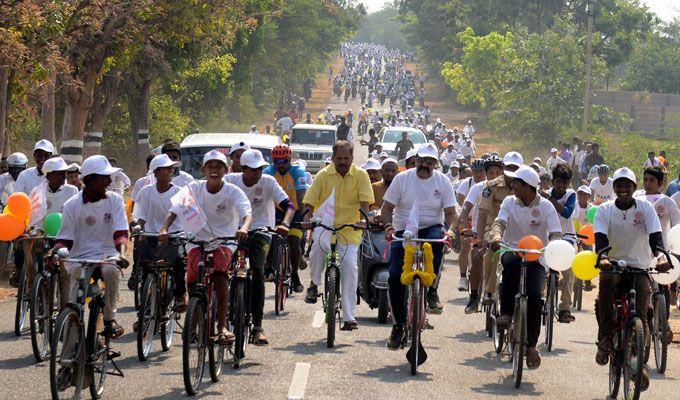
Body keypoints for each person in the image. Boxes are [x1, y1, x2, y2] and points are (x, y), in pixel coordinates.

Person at [160, 150, 252, 344]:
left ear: (225, 171)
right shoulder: (193, 188)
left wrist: (243, 227)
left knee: (219, 275)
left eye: (218, 167)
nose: (214, 170)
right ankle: (193, 319)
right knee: (192, 279)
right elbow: (174, 210)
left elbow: (246, 213)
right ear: (204, 169)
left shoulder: (233, 191)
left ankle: (221, 325)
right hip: (196, 240)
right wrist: (165, 228)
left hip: (224, 241)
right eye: (210, 167)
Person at [593, 167, 668, 391]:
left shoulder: (646, 209)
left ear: (634, 188)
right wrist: (604, 258)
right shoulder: (604, 210)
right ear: (614, 188)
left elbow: (656, 238)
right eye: (619, 185)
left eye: (628, 185)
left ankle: (640, 365)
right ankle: (606, 339)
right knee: (605, 287)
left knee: (642, 312)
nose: (623, 189)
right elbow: (600, 239)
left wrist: (662, 256)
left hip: (639, 266)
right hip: (613, 265)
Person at [382, 143, 457, 347]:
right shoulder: (402, 178)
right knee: (395, 276)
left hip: (431, 227)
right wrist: (389, 228)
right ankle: (398, 325)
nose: (425, 164)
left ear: (436, 164)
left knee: (437, 243)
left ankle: (432, 289)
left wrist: (449, 230)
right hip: (403, 229)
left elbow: (451, 213)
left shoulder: (442, 182)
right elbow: (387, 208)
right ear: (415, 160)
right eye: (422, 160)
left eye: (430, 161)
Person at [490, 165, 563, 369]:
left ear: (529, 187)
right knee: (511, 267)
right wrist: (496, 237)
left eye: (517, 183)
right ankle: (506, 312)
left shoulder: (546, 206)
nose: (512, 186)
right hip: (512, 249)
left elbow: (555, 233)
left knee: (534, 297)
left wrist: (554, 248)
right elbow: (499, 223)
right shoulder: (509, 202)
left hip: (536, 257)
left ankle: (531, 345)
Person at [53, 155, 131, 339]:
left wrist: (121, 255)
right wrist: (53, 252)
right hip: (79, 258)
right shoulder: (72, 205)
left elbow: (121, 232)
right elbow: (65, 238)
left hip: (107, 255)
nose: (109, 180)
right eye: (104, 177)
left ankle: (110, 320)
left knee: (111, 273)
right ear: (89, 179)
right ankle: (68, 357)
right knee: (74, 305)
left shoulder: (115, 200)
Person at [225, 150, 295, 345]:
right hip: (232, 231)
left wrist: (285, 224)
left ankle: (257, 326)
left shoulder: (268, 182)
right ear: (242, 168)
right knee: (222, 271)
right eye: (252, 169)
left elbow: (289, 205)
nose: (256, 173)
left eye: (260, 169)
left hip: (260, 231)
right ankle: (217, 317)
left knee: (257, 272)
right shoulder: (230, 180)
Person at [302, 141, 374, 331]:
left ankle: (349, 317)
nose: (342, 162)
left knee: (350, 268)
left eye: (346, 158)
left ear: (352, 158)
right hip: (325, 224)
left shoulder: (361, 175)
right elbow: (310, 202)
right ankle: (313, 284)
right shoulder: (323, 175)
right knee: (316, 249)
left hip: (350, 229)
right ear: (332, 159)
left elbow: (365, 202)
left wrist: (363, 220)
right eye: (338, 159)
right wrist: (308, 218)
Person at [132, 154, 187, 321]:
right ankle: (145, 312)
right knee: (146, 271)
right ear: (156, 172)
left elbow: (184, 215)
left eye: (172, 168)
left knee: (178, 262)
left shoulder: (179, 192)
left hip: (173, 236)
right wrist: (137, 226)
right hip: (151, 236)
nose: (171, 170)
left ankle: (179, 295)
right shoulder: (145, 191)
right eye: (166, 168)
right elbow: (140, 215)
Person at [23, 157, 79, 296]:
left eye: (63, 173)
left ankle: (65, 306)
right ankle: (30, 281)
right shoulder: (37, 191)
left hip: (65, 234)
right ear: (48, 175)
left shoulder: (71, 191)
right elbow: (33, 214)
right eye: (59, 173)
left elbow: (76, 214)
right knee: (27, 243)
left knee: (64, 271)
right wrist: (33, 230)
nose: (63, 176)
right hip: (43, 232)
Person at [476, 151, 523, 304]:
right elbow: (482, 213)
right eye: (509, 167)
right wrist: (479, 239)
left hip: (518, 231)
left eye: (516, 168)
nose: (512, 171)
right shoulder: (491, 186)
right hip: (493, 228)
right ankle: (489, 291)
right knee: (492, 251)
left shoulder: (527, 186)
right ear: (504, 168)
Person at [459, 155, 503, 313]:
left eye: (498, 172)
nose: (494, 176)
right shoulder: (478, 188)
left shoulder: (510, 188)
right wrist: (464, 226)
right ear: (485, 174)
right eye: (491, 173)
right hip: (482, 229)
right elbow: (466, 208)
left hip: (505, 231)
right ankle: (474, 297)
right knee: (477, 256)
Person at [264, 144, 309, 292]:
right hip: (275, 210)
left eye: (284, 161)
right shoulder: (268, 172)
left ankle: (295, 274)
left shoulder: (298, 172)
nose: (281, 165)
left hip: (295, 210)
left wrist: (303, 218)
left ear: (290, 159)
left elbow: (302, 197)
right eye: (277, 161)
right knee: (271, 238)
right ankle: (268, 267)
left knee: (294, 241)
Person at [541, 163, 577, 323]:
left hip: (566, 237)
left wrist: (550, 199)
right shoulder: (544, 195)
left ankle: (565, 308)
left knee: (570, 271)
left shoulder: (570, 194)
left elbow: (567, 213)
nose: (561, 186)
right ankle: (540, 299)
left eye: (565, 182)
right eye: (558, 182)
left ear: (568, 183)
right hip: (548, 236)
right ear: (553, 181)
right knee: (540, 267)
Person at [455, 159, 486, 291]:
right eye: (475, 172)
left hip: (484, 221)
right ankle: (463, 277)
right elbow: (461, 205)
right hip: (467, 219)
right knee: (466, 244)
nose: (478, 175)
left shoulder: (491, 185)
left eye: (481, 172)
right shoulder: (465, 184)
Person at [634, 166, 680, 248]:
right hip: (639, 250)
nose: (647, 183)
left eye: (652, 180)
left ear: (660, 183)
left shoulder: (667, 202)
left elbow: (677, 226)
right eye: (645, 179)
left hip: (661, 249)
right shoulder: (636, 199)